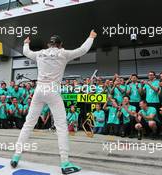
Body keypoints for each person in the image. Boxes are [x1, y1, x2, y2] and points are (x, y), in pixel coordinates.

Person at [10, 30, 97, 174]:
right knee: (61, 127)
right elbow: (82, 50)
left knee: (28, 124)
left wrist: (26, 42)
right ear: (60, 45)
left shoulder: (40, 53)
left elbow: (26, 52)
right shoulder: (64, 53)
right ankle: (65, 163)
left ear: (49, 44)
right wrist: (91, 37)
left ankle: (16, 156)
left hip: (39, 91)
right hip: (53, 91)